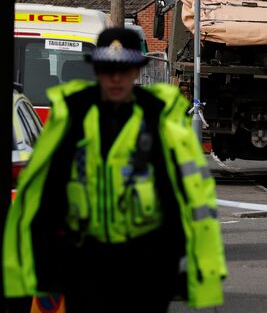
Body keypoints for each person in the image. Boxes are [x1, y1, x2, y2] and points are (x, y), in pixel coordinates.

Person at [2, 27, 227, 313]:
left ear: (136, 72)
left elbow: (194, 197)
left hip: (146, 269)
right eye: (108, 69)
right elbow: (40, 195)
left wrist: (200, 274)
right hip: (84, 267)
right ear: (96, 70)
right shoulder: (72, 115)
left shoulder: (161, 117)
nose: (116, 77)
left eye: (124, 69)